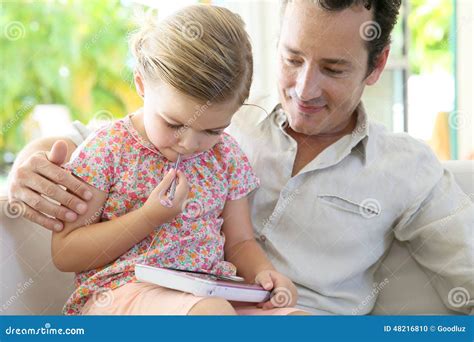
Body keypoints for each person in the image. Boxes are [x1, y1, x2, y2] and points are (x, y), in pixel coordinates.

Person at [8, 0, 473, 315]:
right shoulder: (216, 115)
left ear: (377, 64)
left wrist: (267, 277)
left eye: (333, 69)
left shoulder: (408, 169)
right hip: (171, 307)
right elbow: (86, 145)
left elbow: (467, 273)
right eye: (292, 59)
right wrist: (30, 166)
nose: (304, 89)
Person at [47, 5, 302, 316]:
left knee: (297, 322)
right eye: (174, 124)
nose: (190, 144)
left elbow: (240, 243)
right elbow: (65, 252)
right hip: (118, 295)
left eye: (212, 130)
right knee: (211, 313)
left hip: (208, 291)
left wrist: (265, 274)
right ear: (141, 84)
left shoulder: (226, 156)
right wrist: (149, 217)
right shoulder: (107, 150)